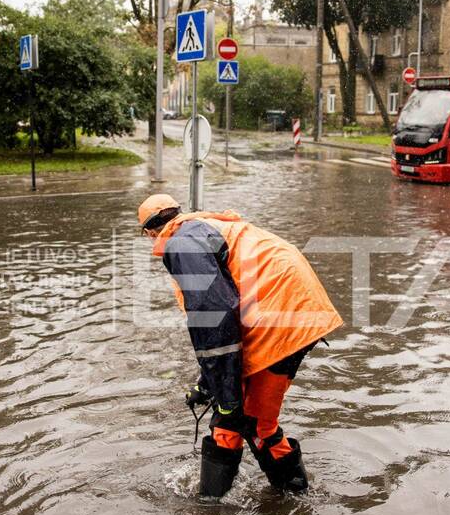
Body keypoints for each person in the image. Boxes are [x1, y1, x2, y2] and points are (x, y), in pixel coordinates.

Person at [138, 194, 343, 498]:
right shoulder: (200, 226)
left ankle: (228, 507)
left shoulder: (181, 242)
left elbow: (215, 319)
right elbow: (221, 324)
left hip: (280, 316)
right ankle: (277, 503)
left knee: (250, 420)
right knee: (236, 417)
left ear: (150, 233)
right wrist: (209, 386)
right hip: (292, 308)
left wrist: (227, 396)